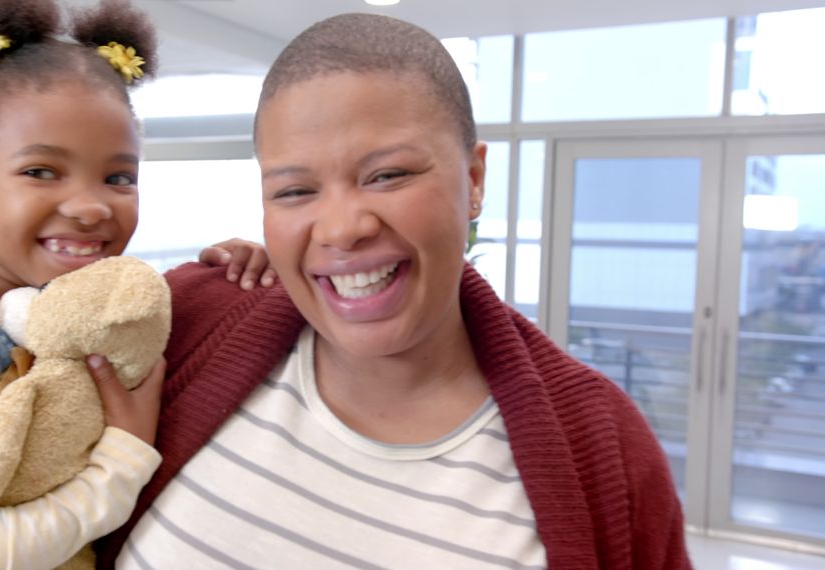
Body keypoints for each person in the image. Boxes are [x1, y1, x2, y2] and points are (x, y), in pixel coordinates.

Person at [95, 12, 690, 569]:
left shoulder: (603, 450)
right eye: (296, 191)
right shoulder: (184, 323)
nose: (342, 228)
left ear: (474, 180)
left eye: (388, 175)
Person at [0, 0, 272, 568]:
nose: (91, 208)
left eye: (118, 177)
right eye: (41, 171)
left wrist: (225, 272)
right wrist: (120, 463)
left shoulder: (54, 304)